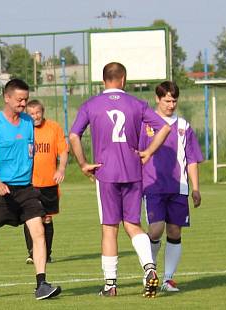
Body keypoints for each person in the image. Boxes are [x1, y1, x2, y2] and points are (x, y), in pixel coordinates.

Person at [69, 62, 171, 298]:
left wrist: (84, 163)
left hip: (105, 173)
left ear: (103, 80)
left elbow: (74, 135)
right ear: (123, 79)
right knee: (133, 224)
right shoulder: (136, 104)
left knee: (109, 228)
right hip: (133, 172)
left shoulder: (91, 105)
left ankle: (110, 285)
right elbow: (164, 128)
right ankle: (149, 268)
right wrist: (148, 152)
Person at [0, 79, 61, 300]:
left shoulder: (27, 123)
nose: (24, 105)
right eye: (20, 100)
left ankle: (41, 284)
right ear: (7, 98)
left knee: (39, 232)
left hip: (25, 190)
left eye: (26, 99)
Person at [140, 81, 203, 292]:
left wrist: (195, 188)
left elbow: (192, 158)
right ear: (157, 99)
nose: (171, 104)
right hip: (153, 186)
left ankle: (167, 279)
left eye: (174, 100)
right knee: (156, 229)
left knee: (175, 231)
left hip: (179, 187)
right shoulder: (145, 124)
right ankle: (150, 271)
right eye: (167, 100)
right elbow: (137, 154)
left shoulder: (184, 126)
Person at [22, 99, 68, 264]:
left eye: (38, 112)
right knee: (30, 218)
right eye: (32, 114)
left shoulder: (54, 128)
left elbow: (63, 151)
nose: (35, 116)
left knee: (47, 219)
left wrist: (61, 169)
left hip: (49, 182)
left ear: (43, 112)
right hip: (29, 183)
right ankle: (32, 252)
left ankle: (46, 254)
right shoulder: (23, 129)